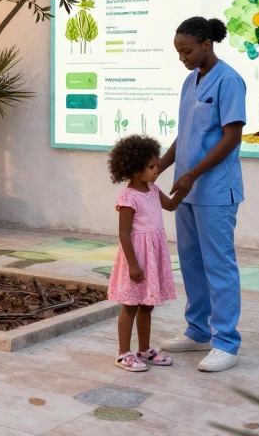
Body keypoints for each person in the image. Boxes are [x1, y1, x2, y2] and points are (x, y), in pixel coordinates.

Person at [158, 16, 247, 373]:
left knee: (219, 265)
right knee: (191, 262)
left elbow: (232, 137)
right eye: (179, 52)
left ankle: (226, 342)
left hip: (214, 190)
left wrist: (193, 174)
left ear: (206, 45)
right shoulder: (189, 81)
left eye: (187, 51)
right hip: (187, 189)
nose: (183, 58)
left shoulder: (229, 81)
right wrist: (159, 167)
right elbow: (185, 134)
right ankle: (197, 331)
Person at [106, 134, 180, 372]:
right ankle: (123, 354)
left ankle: (144, 350)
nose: (157, 169)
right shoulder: (128, 198)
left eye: (156, 164)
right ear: (136, 170)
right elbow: (124, 233)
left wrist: (185, 188)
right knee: (130, 305)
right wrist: (133, 265)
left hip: (153, 257)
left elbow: (170, 206)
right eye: (151, 166)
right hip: (137, 258)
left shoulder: (153, 189)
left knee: (147, 305)